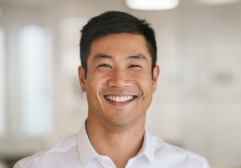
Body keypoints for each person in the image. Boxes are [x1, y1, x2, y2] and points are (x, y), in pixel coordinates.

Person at [14, 11, 210, 168]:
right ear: (83, 78)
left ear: (154, 78)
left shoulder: (192, 165)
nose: (119, 81)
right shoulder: (35, 166)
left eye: (134, 66)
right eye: (105, 66)